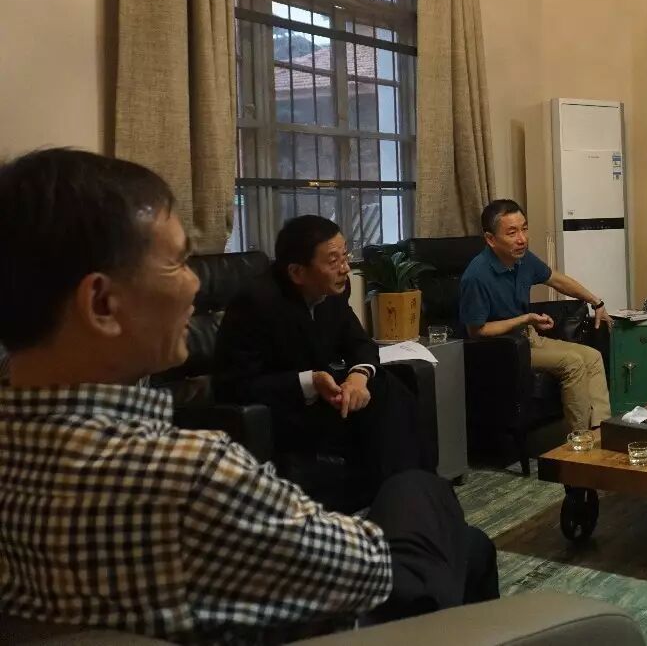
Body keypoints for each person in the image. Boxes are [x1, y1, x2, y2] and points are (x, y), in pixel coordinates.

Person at [0, 149, 497, 643]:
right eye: (177, 263)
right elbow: (367, 572)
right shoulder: (187, 473)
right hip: (337, 612)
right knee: (424, 498)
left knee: (457, 529)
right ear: (102, 303)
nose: (195, 286)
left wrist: (358, 377)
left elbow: (357, 344)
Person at [215, 215, 426, 496]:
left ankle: (412, 491)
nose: (345, 268)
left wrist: (358, 377)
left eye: (345, 256)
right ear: (297, 273)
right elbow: (235, 386)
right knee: (381, 412)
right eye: (333, 261)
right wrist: (309, 382)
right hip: (281, 409)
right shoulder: (256, 303)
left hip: (324, 397)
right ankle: (401, 495)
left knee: (387, 387)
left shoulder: (334, 291)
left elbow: (359, 343)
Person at [459, 199, 613, 432]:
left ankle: (600, 432)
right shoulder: (476, 276)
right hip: (501, 349)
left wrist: (596, 301)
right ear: (491, 239)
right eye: (512, 232)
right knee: (572, 362)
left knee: (592, 357)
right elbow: (477, 331)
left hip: (528, 338)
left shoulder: (523, 259)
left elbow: (557, 280)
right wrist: (525, 319)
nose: (522, 239)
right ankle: (580, 439)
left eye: (524, 229)